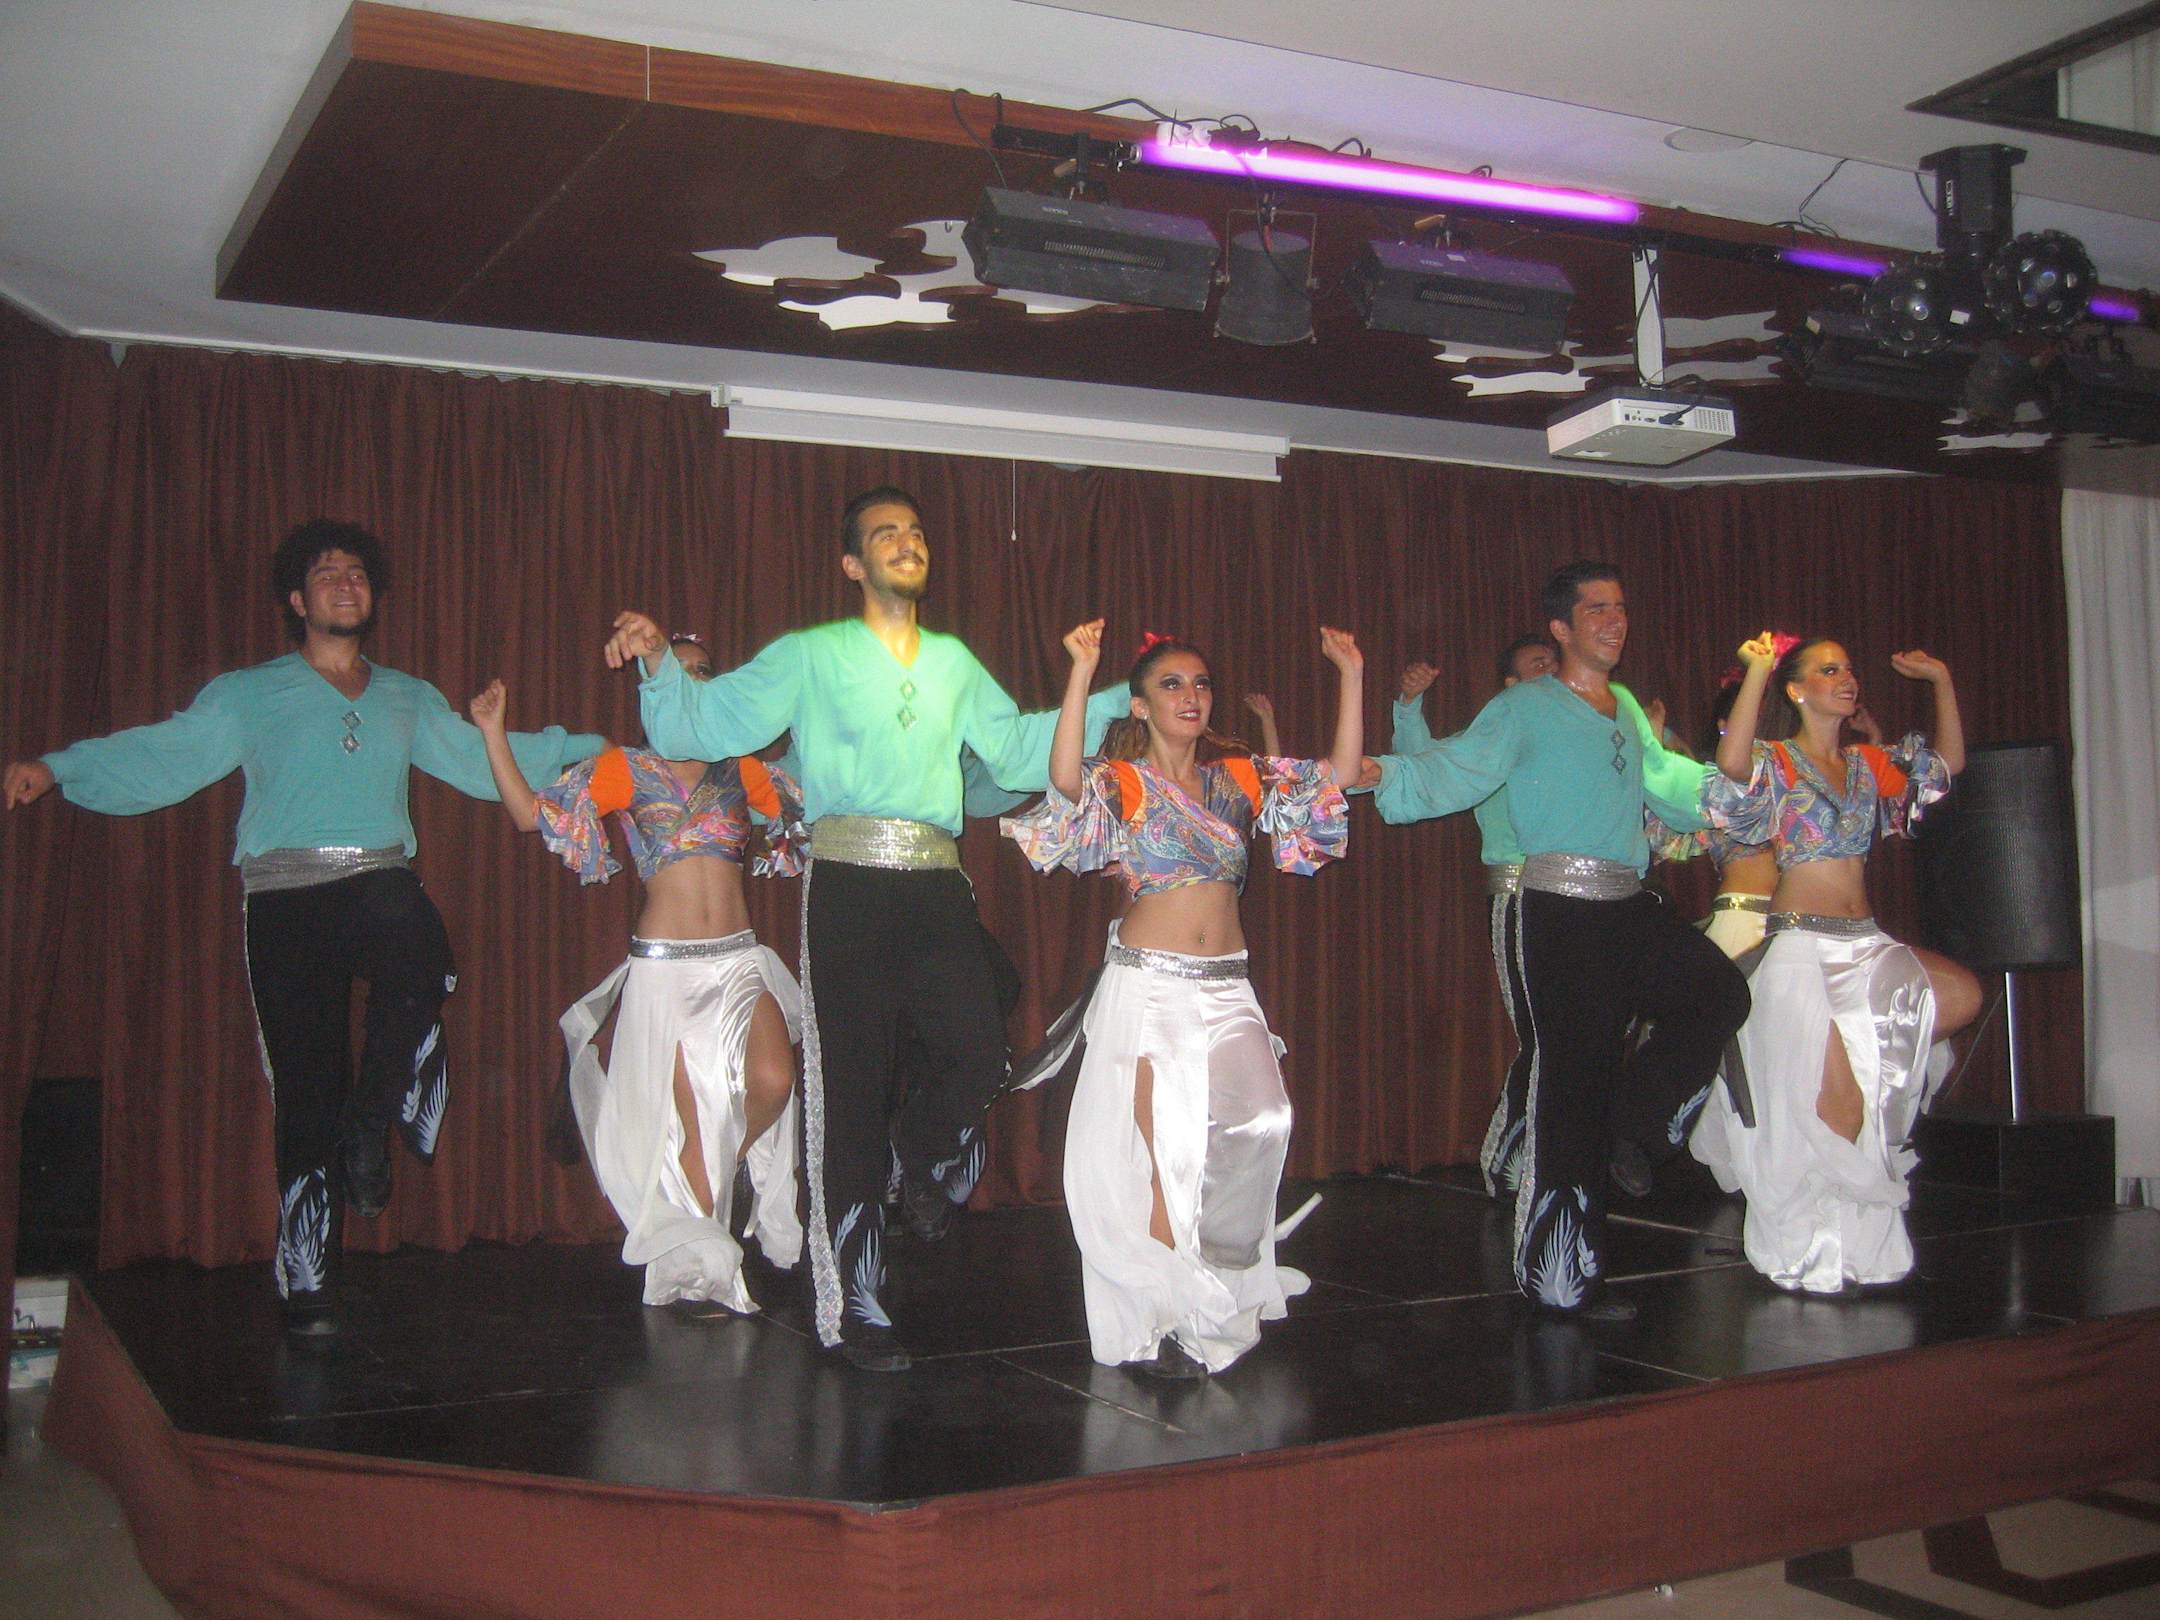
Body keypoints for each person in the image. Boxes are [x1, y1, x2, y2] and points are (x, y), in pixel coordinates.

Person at [3, 520, 602, 1331]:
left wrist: (594, 754)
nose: (345, 584)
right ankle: (310, 1269)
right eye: (327, 574)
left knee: (421, 950)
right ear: (297, 598)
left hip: (376, 875)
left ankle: (369, 1124)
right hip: (285, 896)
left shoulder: (406, 696)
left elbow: (479, 759)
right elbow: (165, 753)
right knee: (306, 1085)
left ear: (374, 593)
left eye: (357, 573)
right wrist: (60, 769)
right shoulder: (249, 694)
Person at [602, 486, 1128, 1371]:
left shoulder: (954, 662)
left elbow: (1016, 749)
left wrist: (1103, 693)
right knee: (847, 1096)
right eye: (885, 534)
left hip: (935, 880)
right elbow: (708, 719)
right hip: (847, 882)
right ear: (853, 563)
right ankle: (856, 1307)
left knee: (977, 1051)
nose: (906, 541)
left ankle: (911, 1159)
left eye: (915, 531)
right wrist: (658, 658)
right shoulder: (811, 655)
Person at [1358, 562, 1749, 1319]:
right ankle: (1560, 1282)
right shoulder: (1524, 707)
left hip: (1629, 902)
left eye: (1620, 607)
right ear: (1562, 628)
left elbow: (1668, 779)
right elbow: (1458, 768)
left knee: (1719, 993)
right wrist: (1381, 771)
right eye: (1596, 609)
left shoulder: (1624, 705)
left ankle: (1628, 1129)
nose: (1614, 620)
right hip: (1560, 912)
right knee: (1569, 1087)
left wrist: (1740, 799)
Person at [1003, 622, 1361, 1376]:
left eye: (1200, 684)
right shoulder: (1124, 783)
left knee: (1264, 1119)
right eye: (1171, 685)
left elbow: (1339, 774)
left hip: (1228, 985)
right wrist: (1081, 670)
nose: (1191, 696)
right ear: (1140, 706)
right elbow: (1064, 779)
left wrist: (1351, 674)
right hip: (1151, 986)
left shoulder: (1238, 779)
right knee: (1168, 1155)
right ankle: (1168, 1319)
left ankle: (1219, 1277)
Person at [469, 639, 807, 1314]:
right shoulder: (625, 768)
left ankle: (723, 1178)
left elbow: (812, 807)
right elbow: (530, 815)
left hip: (739, 959)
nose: (689, 681)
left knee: (774, 1079)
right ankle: (706, 1269)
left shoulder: (741, 769)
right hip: (665, 974)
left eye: (701, 672)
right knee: (696, 1124)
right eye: (674, 671)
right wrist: (492, 732)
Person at [1690, 633, 1978, 1292]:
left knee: (1959, 995)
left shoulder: (1864, 764)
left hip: (1866, 944)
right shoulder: (1777, 760)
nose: (1846, 678)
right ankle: (1821, 1254)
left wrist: (1940, 680)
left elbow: (1948, 765)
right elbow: (1731, 763)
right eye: (1828, 670)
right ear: (1798, 690)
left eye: (1848, 669)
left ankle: (1853, 1236)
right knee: (1838, 1107)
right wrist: (1758, 670)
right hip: (1803, 947)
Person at [1391, 634, 1557, 1196]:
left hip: (1586, 896)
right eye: (1537, 665)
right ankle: (1509, 1161)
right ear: (1510, 687)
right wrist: (1409, 706)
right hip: (1521, 894)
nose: (1551, 671)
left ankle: (1561, 1154)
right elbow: (1428, 765)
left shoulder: (1583, 733)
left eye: (1554, 664)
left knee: (1580, 1034)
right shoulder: (1496, 738)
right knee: (1542, 1033)